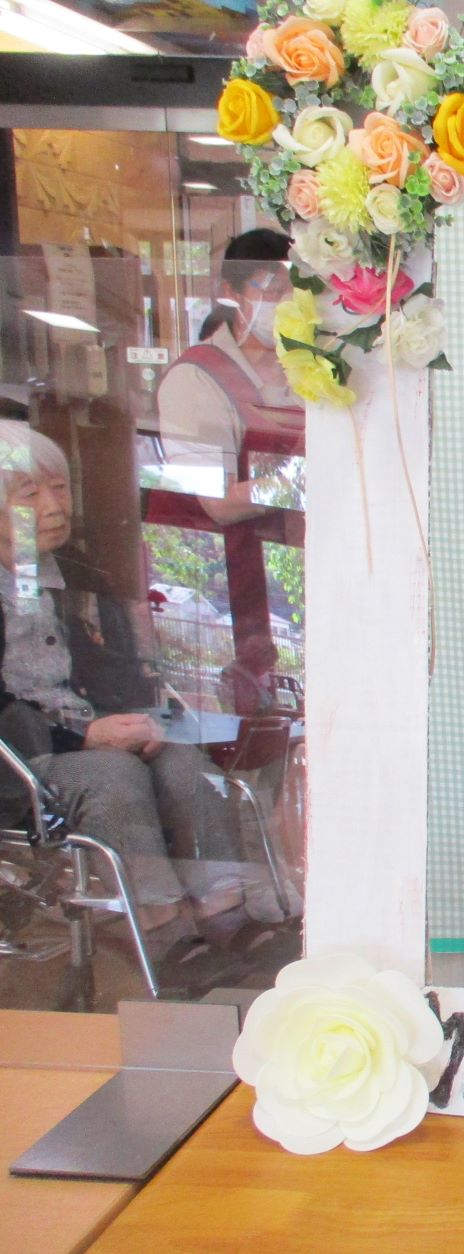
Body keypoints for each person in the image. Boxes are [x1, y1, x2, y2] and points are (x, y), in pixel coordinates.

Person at [0, 421, 287, 989]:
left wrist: (140, 719)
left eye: (59, 488)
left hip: (92, 731)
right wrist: (84, 737)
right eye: (29, 494)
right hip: (23, 755)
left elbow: (118, 667)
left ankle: (226, 914)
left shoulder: (73, 571)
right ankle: (162, 930)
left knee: (184, 765)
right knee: (113, 776)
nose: (54, 506)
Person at [156, 229, 303, 711]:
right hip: (238, 583)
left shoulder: (308, 366)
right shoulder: (197, 378)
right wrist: (298, 484)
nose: (286, 303)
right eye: (271, 288)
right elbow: (215, 502)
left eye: (297, 289)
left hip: (305, 572)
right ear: (233, 293)